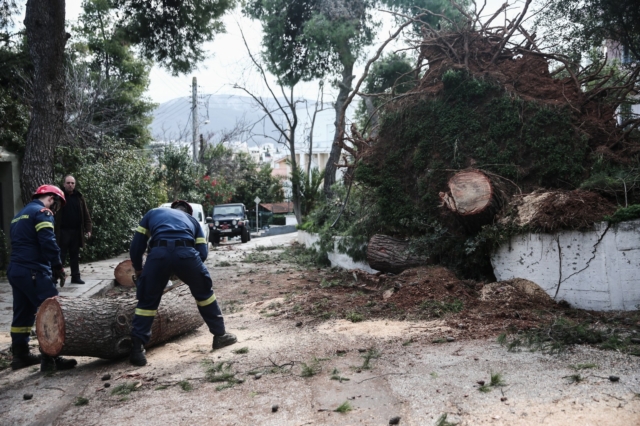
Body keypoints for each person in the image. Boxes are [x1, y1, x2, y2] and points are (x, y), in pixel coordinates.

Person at [128, 200, 237, 366]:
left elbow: (136, 245)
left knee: (146, 302)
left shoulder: (152, 213)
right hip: (186, 253)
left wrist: (138, 268)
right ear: (188, 212)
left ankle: (137, 350)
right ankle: (220, 335)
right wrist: (188, 270)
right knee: (205, 295)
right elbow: (202, 252)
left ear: (172, 209)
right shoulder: (192, 221)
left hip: (158, 254)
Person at [8, 185, 77, 372]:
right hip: (34, 271)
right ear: (51, 199)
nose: (55, 209)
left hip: (16, 271)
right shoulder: (43, 212)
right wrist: (57, 266)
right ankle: (51, 359)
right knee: (50, 310)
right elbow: (48, 241)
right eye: (56, 204)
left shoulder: (19, 215)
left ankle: (20, 355)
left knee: (22, 313)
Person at [54, 175, 92, 284]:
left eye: (72, 183)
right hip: (62, 232)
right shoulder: (59, 197)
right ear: (64, 184)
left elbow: (86, 214)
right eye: (68, 183)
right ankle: (55, 277)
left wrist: (88, 229)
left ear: (75, 184)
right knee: (60, 255)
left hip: (76, 231)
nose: (70, 185)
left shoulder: (79, 197)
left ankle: (75, 276)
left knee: (74, 255)